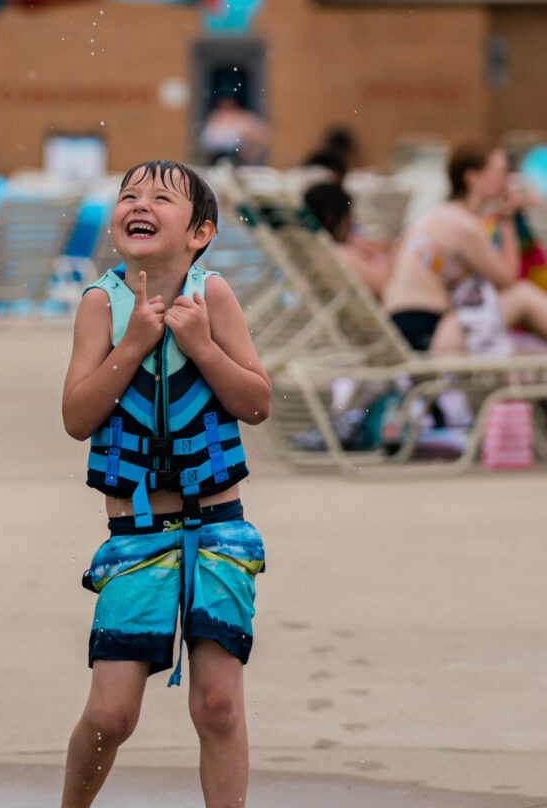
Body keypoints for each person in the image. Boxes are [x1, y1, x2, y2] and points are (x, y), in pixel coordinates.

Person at [60, 160, 271, 808]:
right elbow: (77, 417)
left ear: (200, 232)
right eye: (128, 195)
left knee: (217, 704)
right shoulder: (102, 303)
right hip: (137, 536)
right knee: (112, 715)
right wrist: (133, 344)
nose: (139, 204)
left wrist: (203, 346)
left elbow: (256, 401)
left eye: (160, 197)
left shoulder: (214, 298)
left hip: (217, 528)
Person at [382, 142, 547, 353]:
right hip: (430, 331)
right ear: (472, 177)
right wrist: (507, 219)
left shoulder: (440, 214)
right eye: (499, 172)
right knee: (522, 295)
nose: (507, 180)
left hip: (409, 327)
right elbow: (507, 278)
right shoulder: (464, 225)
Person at [303, 181, 393, 298]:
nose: (351, 223)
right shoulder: (340, 254)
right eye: (348, 216)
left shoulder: (322, 247)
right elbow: (384, 288)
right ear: (333, 217)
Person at [199, 89, 271, 167]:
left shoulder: (244, 118)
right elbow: (205, 140)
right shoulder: (215, 117)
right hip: (216, 159)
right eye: (222, 105)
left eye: (228, 105)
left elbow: (264, 135)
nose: (225, 108)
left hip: (238, 159)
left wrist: (251, 148)